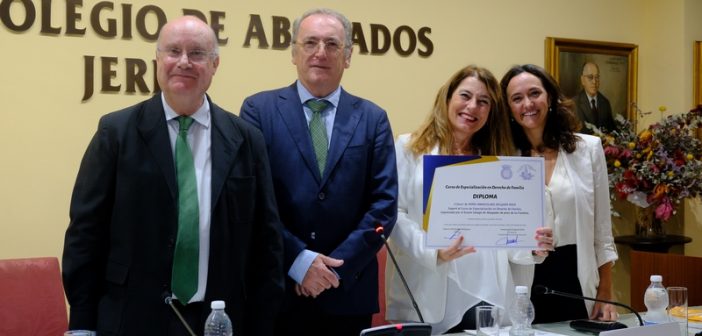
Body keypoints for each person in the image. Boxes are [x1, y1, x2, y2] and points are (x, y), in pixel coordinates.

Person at [62, 16, 284, 336]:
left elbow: (268, 243)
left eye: (197, 53)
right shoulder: (116, 133)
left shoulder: (246, 139)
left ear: (215, 64)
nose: (184, 62)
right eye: (173, 51)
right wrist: (82, 324)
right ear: (157, 60)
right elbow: (85, 233)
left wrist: (264, 322)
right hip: (131, 317)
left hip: (221, 319)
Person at [239, 8, 398, 336]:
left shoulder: (373, 118)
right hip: (279, 289)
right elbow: (253, 201)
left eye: (332, 44)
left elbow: (383, 207)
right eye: (310, 42)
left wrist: (333, 270)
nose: (320, 53)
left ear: (348, 56)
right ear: (294, 52)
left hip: (348, 293)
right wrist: (300, 262)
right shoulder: (257, 111)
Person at [385, 65, 553, 334]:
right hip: (430, 289)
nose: (473, 107)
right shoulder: (409, 148)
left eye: (483, 101)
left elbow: (508, 230)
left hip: (488, 295)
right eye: (465, 96)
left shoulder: (500, 160)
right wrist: (432, 250)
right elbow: (394, 214)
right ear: (448, 98)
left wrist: (531, 246)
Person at [500, 64, 619, 323]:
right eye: (517, 98)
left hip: (576, 276)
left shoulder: (588, 149)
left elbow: (602, 230)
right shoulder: (502, 158)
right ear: (508, 108)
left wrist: (606, 291)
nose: (527, 104)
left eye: (534, 93)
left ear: (550, 97)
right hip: (523, 279)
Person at [573, 61, 616, 133]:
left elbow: (611, 131)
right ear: (582, 80)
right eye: (590, 77)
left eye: (597, 77)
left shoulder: (605, 103)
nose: (594, 82)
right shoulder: (574, 103)